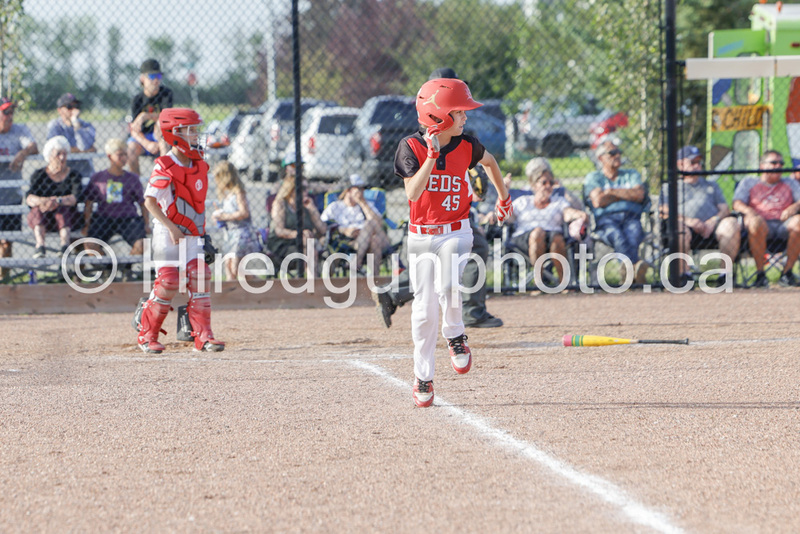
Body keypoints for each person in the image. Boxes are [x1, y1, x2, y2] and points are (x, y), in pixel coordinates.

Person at [397, 75, 511, 408]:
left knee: (448, 285)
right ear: (439, 116)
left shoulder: (467, 144)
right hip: (420, 235)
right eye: (459, 112)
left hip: (456, 231)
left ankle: (455, 333)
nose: (465, 117)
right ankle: (423, 376)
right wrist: (431, 158)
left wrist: (503, 198)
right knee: (423, 309)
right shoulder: (411, 147)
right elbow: (412, 192)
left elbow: (490, 162)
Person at [372, 67, 505, 331]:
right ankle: (471, 311)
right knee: (471, 250)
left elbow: (470, 165)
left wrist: (491, 187)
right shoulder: (422, 141)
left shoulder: (453, 134)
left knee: (442, 265)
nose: (463, 112)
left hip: (448, 210)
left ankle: (394, 295)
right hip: (440, 213)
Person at [135, 108, 225, 354]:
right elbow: (150, 202)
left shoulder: (198, 164)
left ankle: (203, 335)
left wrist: (200, 233)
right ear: (174, 134)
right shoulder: (165, 165)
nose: (196, 135)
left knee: (200, 275)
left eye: (196, 130)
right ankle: (147, 334)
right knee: (169, 281)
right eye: (191, 130)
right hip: (167, 233)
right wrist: (172, 228)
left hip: (192, 234)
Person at [659, 145, 741, 285]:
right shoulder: (670, 187)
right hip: (684, 226)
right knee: (678, 228)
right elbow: (664, 211)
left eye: (699, 162)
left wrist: (712, 221)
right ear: (680, 164)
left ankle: (725, 275)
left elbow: (724, 209)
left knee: (731, 224)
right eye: (693, 162)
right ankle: (684, 275)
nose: (697, 166)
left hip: (711, 228)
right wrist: (689, 221)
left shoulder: (712, 185)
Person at [508, 157, 588, 284]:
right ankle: (539, 283)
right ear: (534, 185)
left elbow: (567, 213)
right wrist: (503, 192)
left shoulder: (558, 201)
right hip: (524, 239)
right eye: (544, 182)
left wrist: (578, 214)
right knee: (538, 233)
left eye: (551, 183)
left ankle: (564, 284)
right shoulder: (523, 202)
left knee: (557, 239)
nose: (548, 186)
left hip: (552, 237)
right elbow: (506, 217)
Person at [583, 140, 649, 284]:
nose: (617, 155)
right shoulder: (594, 177)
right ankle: (635, 270)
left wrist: (611, 192)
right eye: (612, 153)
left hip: (631, 217)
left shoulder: (631, 174)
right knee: (617, 236)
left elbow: (639, 195)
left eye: (619, 152)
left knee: (634, 234)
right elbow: (598, 201)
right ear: (601, 158)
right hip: (606, 220)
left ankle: (628, 273)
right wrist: (627, 194)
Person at [732, 150, 800, 287]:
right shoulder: (749, 182)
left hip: (784, 224)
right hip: (761, 225)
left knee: (799, 221)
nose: (778, 166)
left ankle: (787, 273)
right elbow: (737, 203)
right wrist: (749, 211)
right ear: (762, 165)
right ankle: (760, 274)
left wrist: (793, 207)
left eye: (781, 163)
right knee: (755, 222)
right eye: (774, 163)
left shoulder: (790, 183)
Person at [82, 138, 148, 256]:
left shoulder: (132, 178)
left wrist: (146, 224)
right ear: (109, 156)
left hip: (128, 218)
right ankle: (108, 265)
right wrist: (87, 224)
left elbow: (143, 203)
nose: (124, 158)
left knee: (142, 244)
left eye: (125, 154)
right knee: (90, 245)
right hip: (104, 218)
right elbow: (89, 202)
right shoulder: (98, 178)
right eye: (120, 155)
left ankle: (125, 266)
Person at [266, 155, 327, 277]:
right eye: (303, 188)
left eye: (307, 188)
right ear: (292, 189)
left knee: (311, 246)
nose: (306, 192)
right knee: (309, 247)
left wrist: (313, 210)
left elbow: (323, 230)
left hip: (305, 244)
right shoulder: (280, 204)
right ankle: (312, 283)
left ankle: (311, 282)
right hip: (283, 244)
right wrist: (299, 234)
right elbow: (279, 231)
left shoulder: (307, 205)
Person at [320, 173, 391, 274]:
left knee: (373, 233)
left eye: (363, 188)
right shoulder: (335, 206)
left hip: (366, 239)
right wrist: (344, 230)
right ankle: (367, 270)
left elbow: (379, 224)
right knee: (374, 235)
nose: (362, 191)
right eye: (359, 188)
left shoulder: (367, 204)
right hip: (345, 241)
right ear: (348, 190)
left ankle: (363, 267)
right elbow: (323, 224)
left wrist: (362, 203)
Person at [25, 136, 82, 258]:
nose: (62, 157)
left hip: (68, 218)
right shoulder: (39, 175)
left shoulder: (73, 175)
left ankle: (64, 246)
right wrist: (43, 201)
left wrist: (57, 201)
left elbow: (75, 197)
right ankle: (40, 246)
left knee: (63, 210)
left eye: (64, 154)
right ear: (49, 156)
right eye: (58, 154)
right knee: (37, 211)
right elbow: (29, 197)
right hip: (44, 216)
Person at [0, 97, 38, 275]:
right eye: (5, 112)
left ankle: (4, 278)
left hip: (11, 197)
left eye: (12, 111)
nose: (10, 116)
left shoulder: (18, 129)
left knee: (7, 241)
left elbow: (33, 146)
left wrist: (22, 153)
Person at [210, 160, 260, 281]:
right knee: (228, 267)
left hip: (241, 235)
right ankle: (230, 291)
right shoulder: (229, 195)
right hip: (230, 235)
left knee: (236, 268)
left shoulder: (239, 192)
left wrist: (224, 216)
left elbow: (244, 212)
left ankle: (259, 284)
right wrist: (219, 216)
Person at [127, 59, 173, 177]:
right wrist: (147, 144)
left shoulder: (166, 94)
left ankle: (164, 178)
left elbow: (166, 117)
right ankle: (136, 183)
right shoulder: (137, 99)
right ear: (142, 78)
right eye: (152, 76)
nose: (156, 80)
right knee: (131, 150)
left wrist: (144, 116)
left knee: (160, 125)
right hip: (144, 137)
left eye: (159, 76)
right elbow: (134, 129)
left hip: (160, 135)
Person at [46, 93, 96, 178]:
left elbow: (85, 146)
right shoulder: (55, 126)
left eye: (76, 106)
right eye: (69, 107)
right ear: (59, 110)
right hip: (62, 174)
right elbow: (56, 150)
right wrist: (83, 151)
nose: (74, 110)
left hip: (85, 173)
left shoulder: (85, 125)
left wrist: (76, 123)